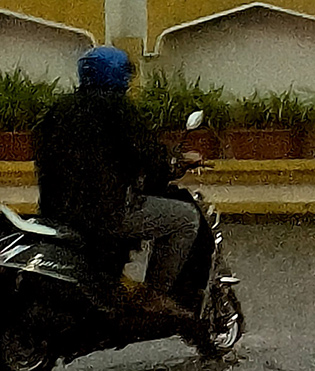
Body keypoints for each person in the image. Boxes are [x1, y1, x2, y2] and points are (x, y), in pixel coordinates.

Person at [33, 46, 202, 299]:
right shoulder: (118, 109)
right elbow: (148, 156)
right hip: (106, 213)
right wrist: (173, 163)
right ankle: (153, 299)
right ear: (117, 75)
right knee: (185, 218)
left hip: (57, 213)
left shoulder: (59, 109)